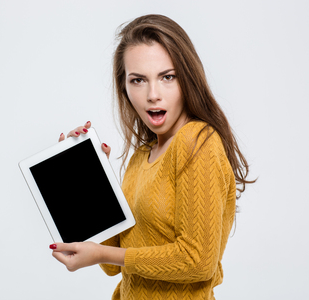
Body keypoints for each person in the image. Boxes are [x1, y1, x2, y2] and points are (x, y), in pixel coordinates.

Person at [50, 14, 254, 300]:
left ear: (188, 79)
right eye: (138, 80)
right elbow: (111, 264)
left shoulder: (197, 141)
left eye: (167, 77)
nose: (153, 94)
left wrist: (102, 253)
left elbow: (198, 262)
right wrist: (93, 179)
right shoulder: (140, 157)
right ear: (125, 87)